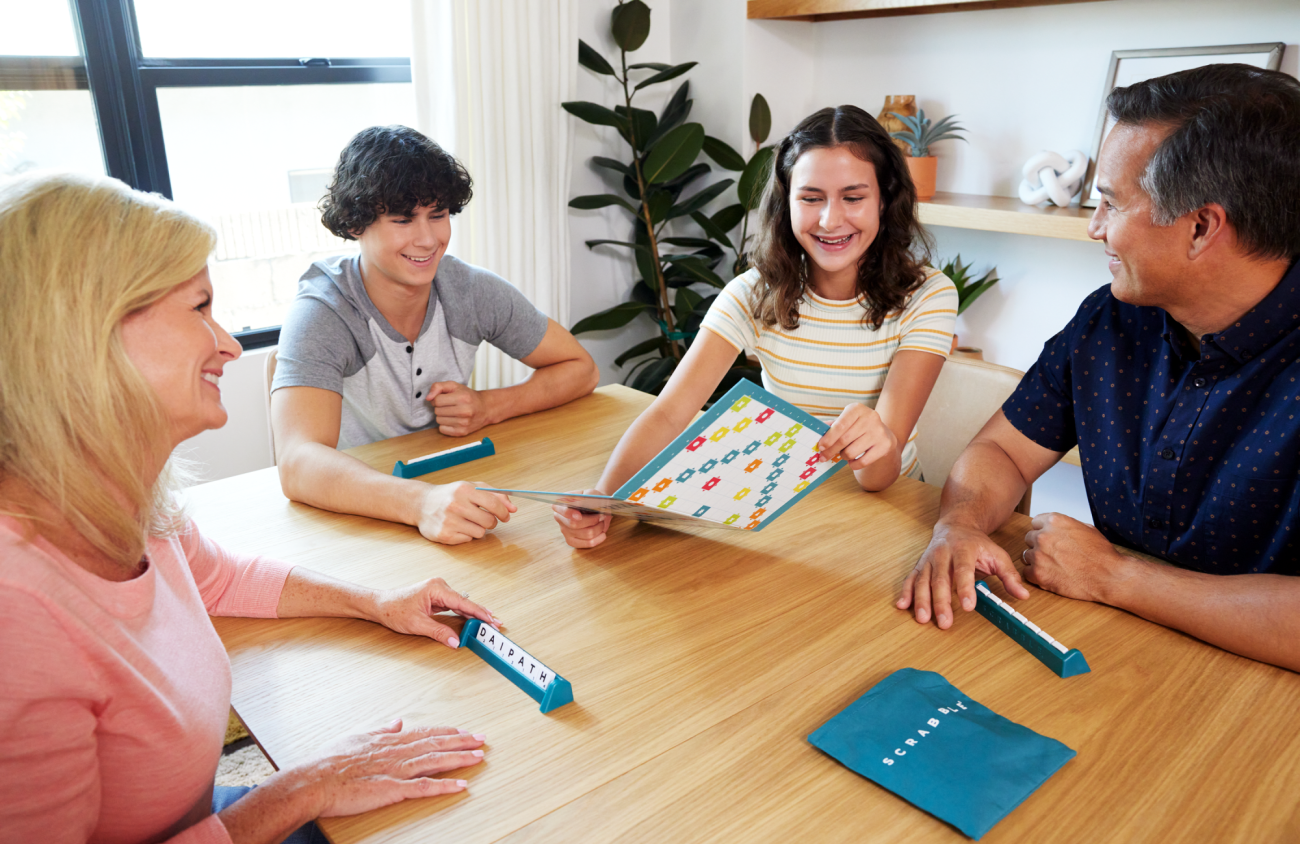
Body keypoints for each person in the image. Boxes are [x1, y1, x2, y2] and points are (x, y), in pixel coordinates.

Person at [0, 173, 504, 844]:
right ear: (87, 338)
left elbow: (222, 578)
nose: (231, 346)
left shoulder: (124, 501)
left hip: (190, 823)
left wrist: (376, 602)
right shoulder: (16, 614)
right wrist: (300, 788)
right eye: (201, 307)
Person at [898, 64, 1300, 672]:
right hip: (1108, 652)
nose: (1093, 229)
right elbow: (1001, 452)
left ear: (1201, 227)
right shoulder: (1110, 321)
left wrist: (1118, 578)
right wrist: (959, 524)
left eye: (1110, 203)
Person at [556, 105, 958, 548]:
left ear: (886, 197)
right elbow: (670, 412)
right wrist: (606, 498)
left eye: (853, 196)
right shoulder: (753, 293)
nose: (830, 219)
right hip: (781, 504)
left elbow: (881, 475)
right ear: (785, 203)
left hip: (888, 511)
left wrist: (877, 441)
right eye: (810, 198)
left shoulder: (928, 296)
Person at [272, 125, 600, 546]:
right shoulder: (323, 312)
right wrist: (420, 503)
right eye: (403, 219)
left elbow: (580, 369)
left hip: (451, 492)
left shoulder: (470, 290)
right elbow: (297, 463)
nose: (428, 239)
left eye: (438, 215)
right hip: (357, 518)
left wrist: (488, 406)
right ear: (356, 224)